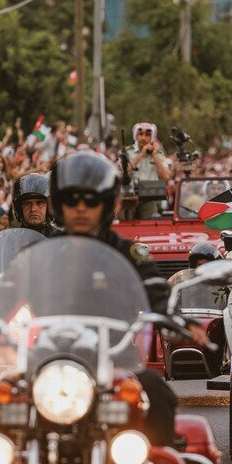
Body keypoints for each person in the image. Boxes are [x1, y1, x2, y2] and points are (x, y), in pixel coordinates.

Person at [49, 151, 202, 446]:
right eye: (72, 200)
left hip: (114, 355)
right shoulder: (42, 256)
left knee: (155, 393)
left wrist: (177, 317)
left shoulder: (129, 254)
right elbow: (9, 296)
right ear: (59, 203)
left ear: (106, 204)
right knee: (4, 396)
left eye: (91, 200)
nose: (81, 208)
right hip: (51, 355)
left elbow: (157, 293)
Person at [125, 122, 171, 218]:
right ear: (136, 136)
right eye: (140, 134)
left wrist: (154, 155)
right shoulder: (128, 151)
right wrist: (141, 154)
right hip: (129, 198)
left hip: (149, 197)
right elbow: (124, 170)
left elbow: (165, 177)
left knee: (149, 224)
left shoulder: (159, 153)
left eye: (147, 135)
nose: (143, 138)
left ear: (152, 137)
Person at [11, 172, 61, 237]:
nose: (33, 209)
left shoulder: (60, 238)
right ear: (20, 209)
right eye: (27, 203)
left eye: (40, 203)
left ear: (48, 207)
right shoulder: (11, 239)